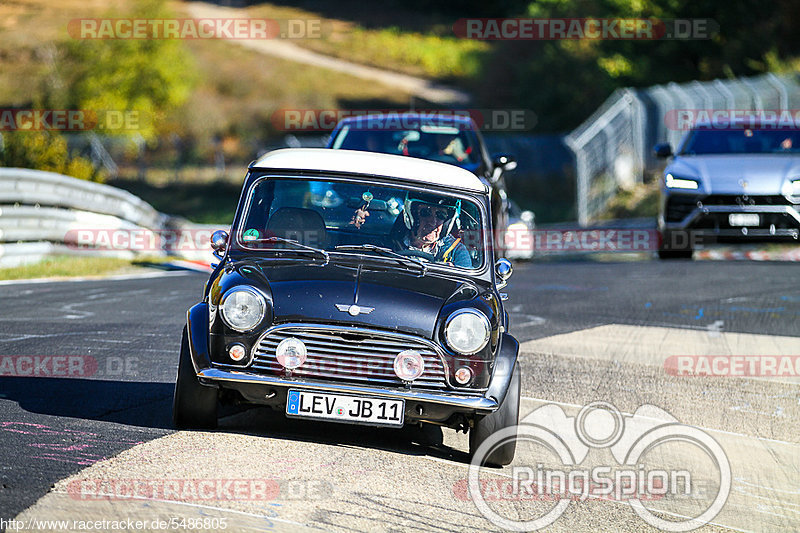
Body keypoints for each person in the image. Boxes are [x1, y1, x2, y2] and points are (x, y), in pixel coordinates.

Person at [350, 193, 472, 268]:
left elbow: (465, 289)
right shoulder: (384, 245)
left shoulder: (456, 252)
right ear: (412, 215)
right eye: (425, 213)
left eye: (440, 215)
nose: (432, 222)